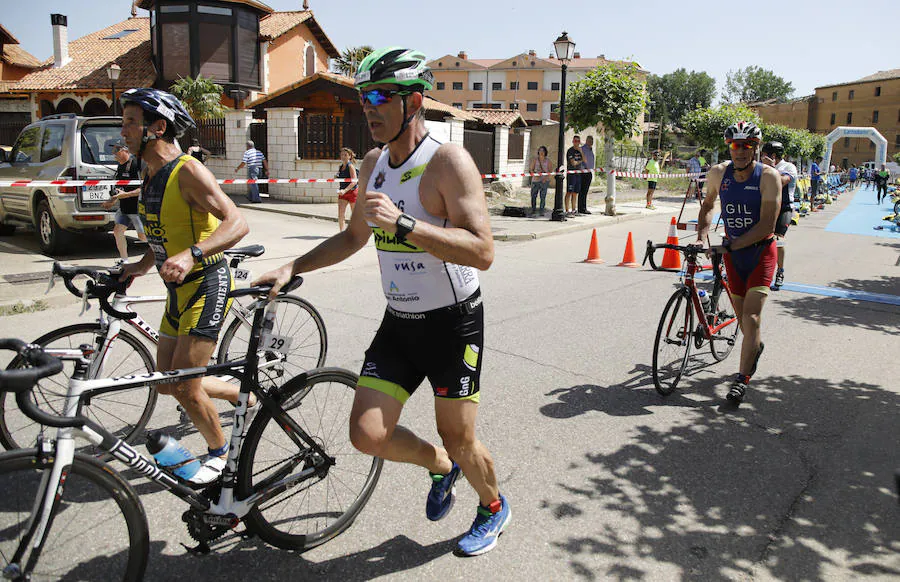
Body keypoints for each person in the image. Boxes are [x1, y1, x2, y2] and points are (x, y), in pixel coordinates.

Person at [254, 47, 510, 556]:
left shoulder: (447, 162)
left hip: (452, 324)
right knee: (368, 435)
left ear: (413, 101)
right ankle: (441, 466)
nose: (366, 108)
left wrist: (405, 225)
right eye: (361, 97)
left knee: (460, 435)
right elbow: (351, 238)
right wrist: (292, 266)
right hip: (400, 322)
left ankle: (493, 507)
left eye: (378, 97)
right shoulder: (373, 163)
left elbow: (483, 251)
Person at [117, 88, 252, 486]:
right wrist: (138, 267)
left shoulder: (188, 170)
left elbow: (237, 223)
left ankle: (222, 456)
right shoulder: (148, 172)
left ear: (157, 127)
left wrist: (193, 253)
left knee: (188, 386)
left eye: (130, 121)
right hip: (177, 287)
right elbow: (161, 235)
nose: (123, 129)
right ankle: (239, 392)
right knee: (166, 380)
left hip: (206, 281)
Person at [697, 121, 781, 405]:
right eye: (736, 145)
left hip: (760, 254)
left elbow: (767, 224)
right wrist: (702, 237)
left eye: (747, 146)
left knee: (753, 317)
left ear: (756, 148)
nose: (741, 151)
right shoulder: (719, 173)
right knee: (746, 326)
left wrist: (729, 245)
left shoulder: (768, 177)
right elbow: (708, 206)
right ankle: (754, 346)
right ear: (729, 147)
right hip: (734, 258)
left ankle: (742, 379)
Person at [101, 141, 147, 260]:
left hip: (137, 208)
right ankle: (124, 261)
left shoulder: (136, 164)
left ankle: (161, 255)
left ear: (125, 150)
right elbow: (119, 189)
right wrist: (111, 201)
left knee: (143, 237)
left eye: (116, 150)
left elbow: (144, 188)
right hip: (125, 208)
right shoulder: (120, 166)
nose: (113, 153)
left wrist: (125, 195)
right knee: (117, 231)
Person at [761, 141, 797, 291]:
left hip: (784, 208)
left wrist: (771, 168)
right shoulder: (762, 166)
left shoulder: (788, 167)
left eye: (764, 155)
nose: (762, 158)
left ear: (773, 156)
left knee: (778, 239)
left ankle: (780, 271)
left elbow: (781, 182)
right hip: (766, 207)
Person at [336, 147, 358, 231]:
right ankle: (342, 233)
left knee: (354, 215)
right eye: (342, 155)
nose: (343, 156)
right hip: (342, 193)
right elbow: (340, 178)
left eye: (345, 155)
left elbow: (354, 181)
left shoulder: (351, 166)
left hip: (352, 192)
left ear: (349, 156)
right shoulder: (340, 167)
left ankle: (356, 232)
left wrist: (345, 190)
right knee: (341, 214)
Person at [529, 145, 551, 215]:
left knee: (543, 196)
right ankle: (533, 209)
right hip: (535, 180)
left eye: (543, 151)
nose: (541, 152)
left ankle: (541, 210)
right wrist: (534, 174)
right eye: (540, 150)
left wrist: (545, 178)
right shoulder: (535, 160)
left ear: (545, 152)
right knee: (533, 195)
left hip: (544, 180)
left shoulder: (548, 161)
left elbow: (550, 171)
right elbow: (531, 169)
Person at [565, 135, 583, 216]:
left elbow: (585, 160)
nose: (576, 142)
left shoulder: (580, 151)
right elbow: (573, 163)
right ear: (573, 141)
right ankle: (567, 210)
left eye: (578, 141)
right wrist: (581, 161)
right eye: (575, 141)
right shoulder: (570, 151)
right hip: (571, 174)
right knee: (569, 192)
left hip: (578, 174)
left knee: (575, 193)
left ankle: (573, 210)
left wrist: (581, 152)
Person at [577, 135, 594, 214]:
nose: (591, 142)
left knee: (585, 191)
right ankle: (581, 208)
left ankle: (584, 208)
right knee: (582, 191)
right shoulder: (583, 149)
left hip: (589, 172)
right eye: (590, 140)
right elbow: (583, 160)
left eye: (592, 141)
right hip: (583, 172)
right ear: (587, 141)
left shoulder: (590, 150)